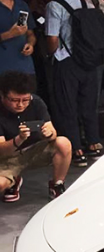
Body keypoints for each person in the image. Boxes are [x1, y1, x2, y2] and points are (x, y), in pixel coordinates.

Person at [45, 0, 104, 167]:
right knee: (89, 104)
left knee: (68, 105)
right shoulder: (91, 1)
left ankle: (76, 148)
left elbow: (52, 39)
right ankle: (93, 143)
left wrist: (50, 55)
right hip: (90, 59)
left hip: (66, 59)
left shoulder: (55, 5)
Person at [0, 71, 71, 201]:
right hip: (7, 158)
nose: (20, 104)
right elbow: (2, 151)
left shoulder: (36, 102)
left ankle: (57, 184)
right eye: (14, 100)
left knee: (63, 143)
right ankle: (13, 181)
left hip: (33, 151)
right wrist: (19, 139)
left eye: (25, 100)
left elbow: (53, 132)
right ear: (2, 96)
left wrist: (49, 134)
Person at [0, 0, 37, 76]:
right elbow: (16, 32)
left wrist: (30, 44)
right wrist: (9, 34)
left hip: (23, 67)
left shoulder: (21, 5)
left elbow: (29, 33)